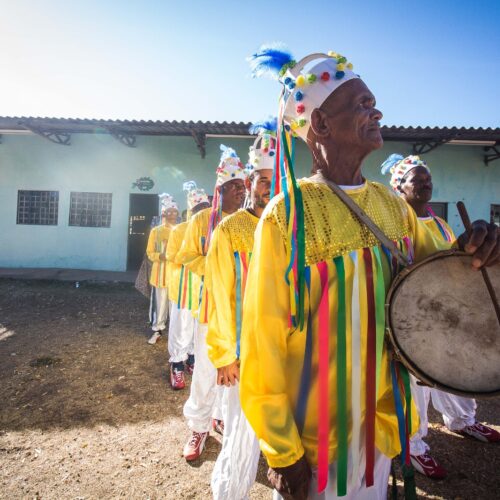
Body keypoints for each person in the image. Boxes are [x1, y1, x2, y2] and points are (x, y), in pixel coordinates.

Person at [240, 45, 500, 500]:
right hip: (316, 438)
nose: (377, 110)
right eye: (362, 103)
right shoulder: (287, 217)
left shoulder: (391, 206)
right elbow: (262, 345)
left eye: (372, 101)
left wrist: (479, 247)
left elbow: (441, 281)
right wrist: (282, 451)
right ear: (320, 123)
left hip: (383, 423)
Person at [382, 154, 500, 479]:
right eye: (416, 180)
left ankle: (462, 421)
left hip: (447, 315)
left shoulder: (441, 223)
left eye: (427, 179)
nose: (425, 184)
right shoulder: (394, 225)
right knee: (415, 389)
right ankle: (414, 447)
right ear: (399, 187)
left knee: (455, 372)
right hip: (413, 322)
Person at [206, 119, 276, 499]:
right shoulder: (230, 230)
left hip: (286, 352)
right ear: (249, 183)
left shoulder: (290, 227)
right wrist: (224, 355)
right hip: (245, 356)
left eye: (276, 179)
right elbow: (219, 296)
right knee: (242, 435)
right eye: (263, 179)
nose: (270, 188)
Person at [178, 145, 247, 461]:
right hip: (209, 309)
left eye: (242, 186)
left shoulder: (251, 222)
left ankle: (226, 422)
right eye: (233, 186)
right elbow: (186, 255)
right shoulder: (203, 219)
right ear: (220, 189)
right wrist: (218, 267)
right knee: (206, 370)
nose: (240, 192)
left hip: (243, 313)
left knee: (235, 373)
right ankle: (199, 426)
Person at [165, 182, 211, 390]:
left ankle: (192, 359)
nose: (202, 213)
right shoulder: (179, 230)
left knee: (198, 326)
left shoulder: (213, 228)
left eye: (205, 208)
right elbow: (171, 255)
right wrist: (191, 255)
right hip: (183, 287)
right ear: (191, 210)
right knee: (180, 326)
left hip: (202, 287)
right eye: (198, 209)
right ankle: (176, 364)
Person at [146, 193, 178, 345]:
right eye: (168, 211)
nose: (171, 214)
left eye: (174, 211)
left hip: (176, 276)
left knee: (175, 307)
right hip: (159, 275)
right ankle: (157, 330)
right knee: (160, 305)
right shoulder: (156, 231)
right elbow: (149, 252)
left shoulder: (181, 230)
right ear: (163, 213)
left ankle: (175, 332)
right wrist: (160, 256)